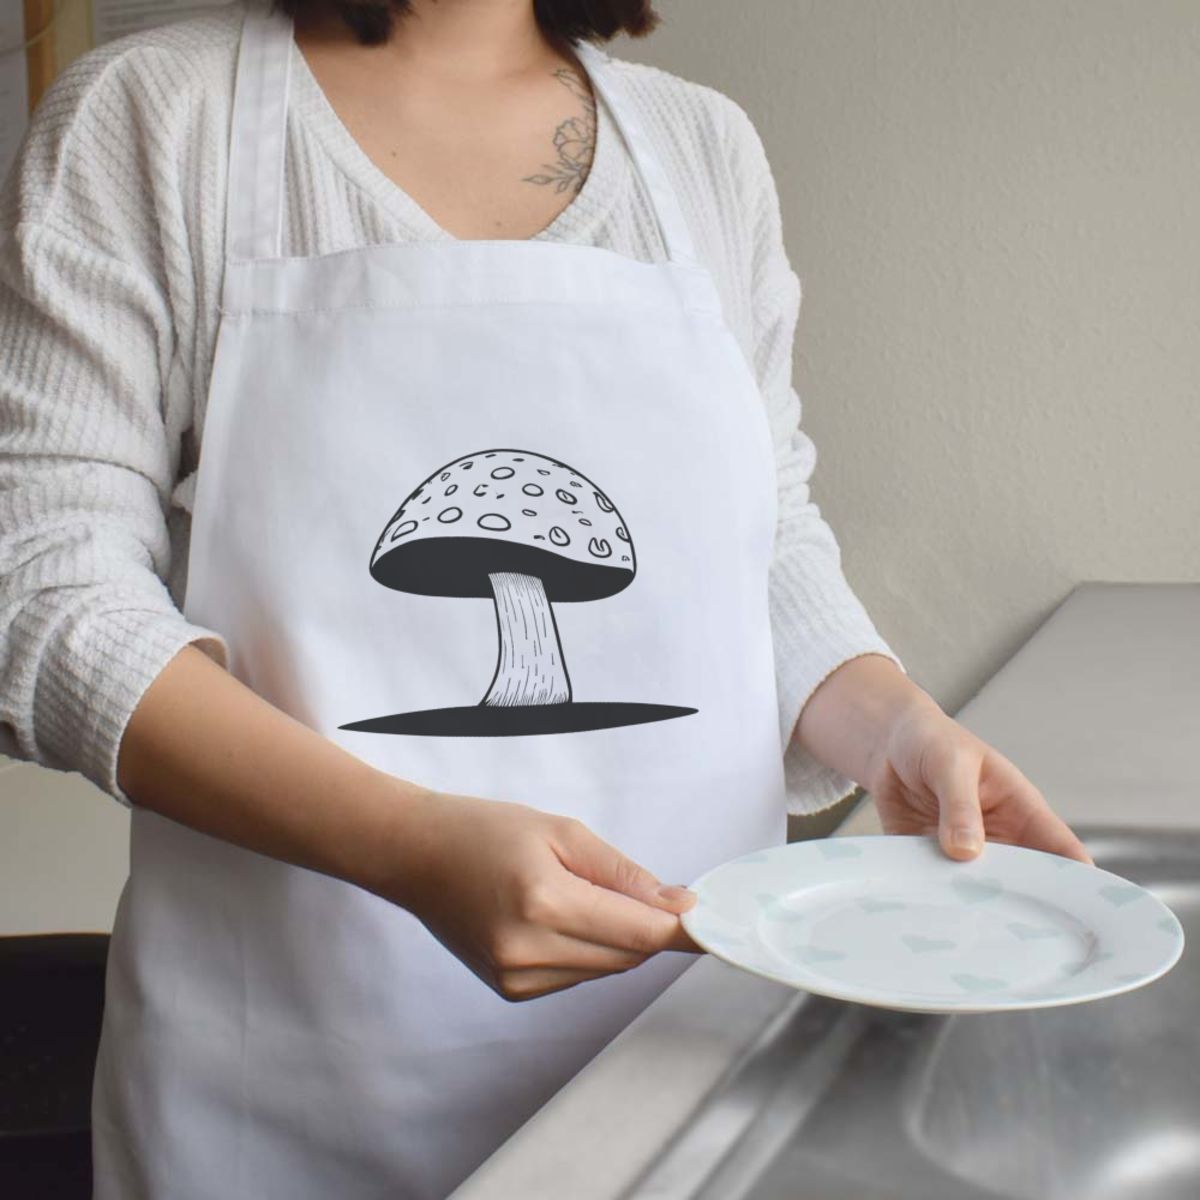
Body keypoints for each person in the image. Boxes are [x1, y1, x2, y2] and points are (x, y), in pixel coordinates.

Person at [0, 1, 1091, 1195]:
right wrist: (409, 845)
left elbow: (765, 536)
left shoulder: (703, 147)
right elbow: (45, 590)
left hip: (691, 1063)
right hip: (295, 1110)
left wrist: (892, 727)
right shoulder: (155, 118)